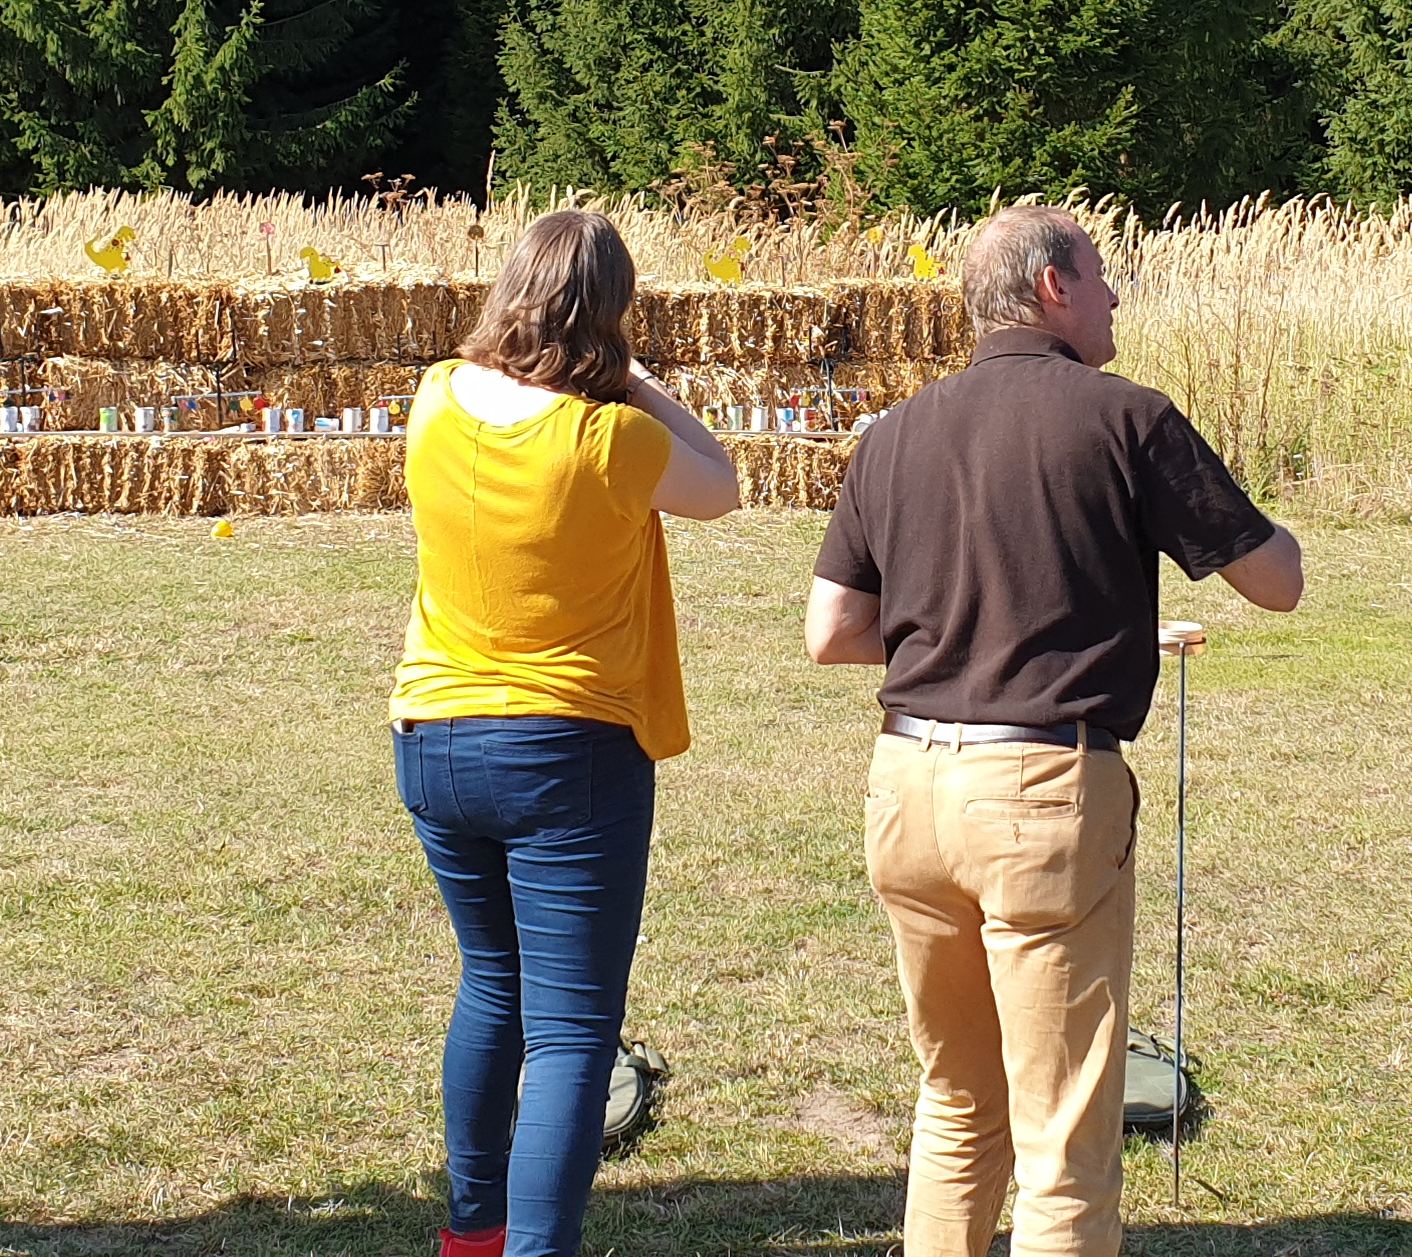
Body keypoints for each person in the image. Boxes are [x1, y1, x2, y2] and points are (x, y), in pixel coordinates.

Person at [806, 203, 1304, 1257]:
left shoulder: (893, 432)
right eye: (1102, 273)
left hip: (907, 786)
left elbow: (833, 631)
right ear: (1052, 287)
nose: (1115, 295)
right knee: (1063, 1138)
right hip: (1041, 797)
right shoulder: (1128, 418)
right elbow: (1276, 581)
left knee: (955, 1102)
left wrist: (994, 633)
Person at [391, 209, 740, 1257]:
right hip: (566, 749)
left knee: (490, 983)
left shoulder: (436, 397)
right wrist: (631, 376)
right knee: (574, 1032)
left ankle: (472, 1232)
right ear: (611, 316)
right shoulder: (613, 439)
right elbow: (721, 484)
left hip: (433, 735)